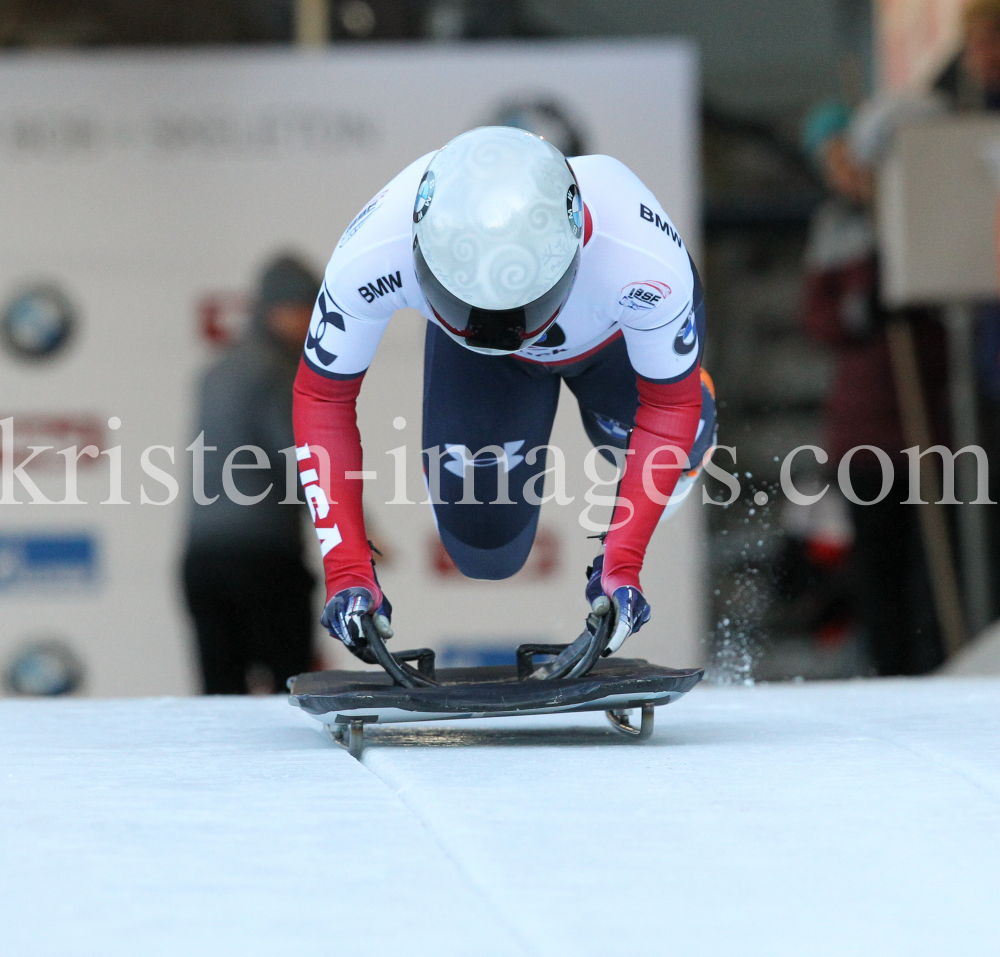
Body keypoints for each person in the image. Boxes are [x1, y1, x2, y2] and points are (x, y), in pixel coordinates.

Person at [293, 126, 715, 659]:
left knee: (684, 441)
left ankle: (687, 385)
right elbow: (321, 398)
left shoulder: (642, 259)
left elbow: (669, 405)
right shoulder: (374, 250)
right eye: (465, 303)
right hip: (481, 362)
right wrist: (348, 572)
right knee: (485, 548)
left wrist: (622, 563)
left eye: (519, 310)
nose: (496, 328)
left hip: (616, 349)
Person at [800, 104, 949, 675]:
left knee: (935, 569)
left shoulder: (913, 220)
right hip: (865, 435)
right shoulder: (836, 233)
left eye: (851, 159)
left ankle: (940, 667)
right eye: (833, 164)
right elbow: (819, 321)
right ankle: (893, 673)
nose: (846, 173)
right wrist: (864, 305)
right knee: (880, 569)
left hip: (930, 426)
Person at [184, 254, 320, 693]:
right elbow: (300, 460)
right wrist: (353, 529)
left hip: (202, 558)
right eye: (307, 309)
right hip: (265, 560)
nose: (312, 322)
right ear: (280, 310)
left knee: (219, 704)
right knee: (292, 699)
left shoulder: (215, 371)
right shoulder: (278, 370)